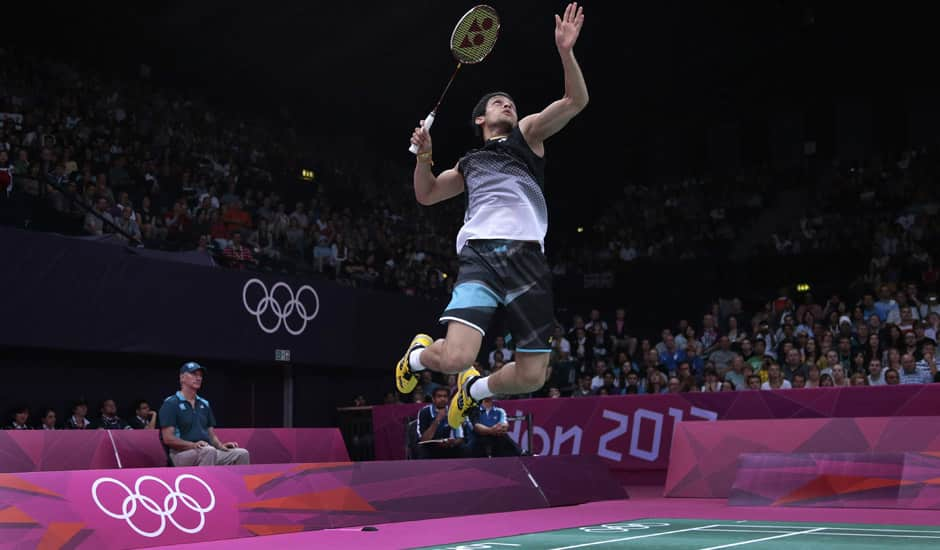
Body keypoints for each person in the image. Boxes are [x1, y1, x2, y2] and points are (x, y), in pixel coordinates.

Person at [396, 2, 589, 429]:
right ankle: (415, 356)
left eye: (511, 103)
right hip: (481, 256)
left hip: (528, 262)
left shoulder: (527, 137)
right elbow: (426, 194)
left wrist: (565, 51)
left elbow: (576, 100)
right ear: (480, 119)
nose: (508, 105)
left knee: (532, 376)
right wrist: (423, 157)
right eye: (498, 103)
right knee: (455, 356)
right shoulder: (468, 163)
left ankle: (475, 390)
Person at [159, 362, 250, 466]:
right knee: (208, 451)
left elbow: (211, 436)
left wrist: (221, 446)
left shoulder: (204, 404)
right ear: (182, 378)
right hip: (180, 454)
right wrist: (193, 445)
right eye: (194, 374)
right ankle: (205, 481)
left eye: (200, 375)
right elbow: (168, 439)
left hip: (206, 450)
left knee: (242, 454)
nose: (198, 378)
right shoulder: (171, 403)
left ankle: (236, 482)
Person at [415, 387, 467, 459]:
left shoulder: (454, 412)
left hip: (448, 446)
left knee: (463, 448)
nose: (442, 399)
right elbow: (424, 439)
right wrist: (437, 420)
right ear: (433, 399)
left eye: (445, 396)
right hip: (429, 447)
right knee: (422, 449)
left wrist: (452, 442)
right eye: (439, 396)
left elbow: (460, 437)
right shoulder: (424, 412)